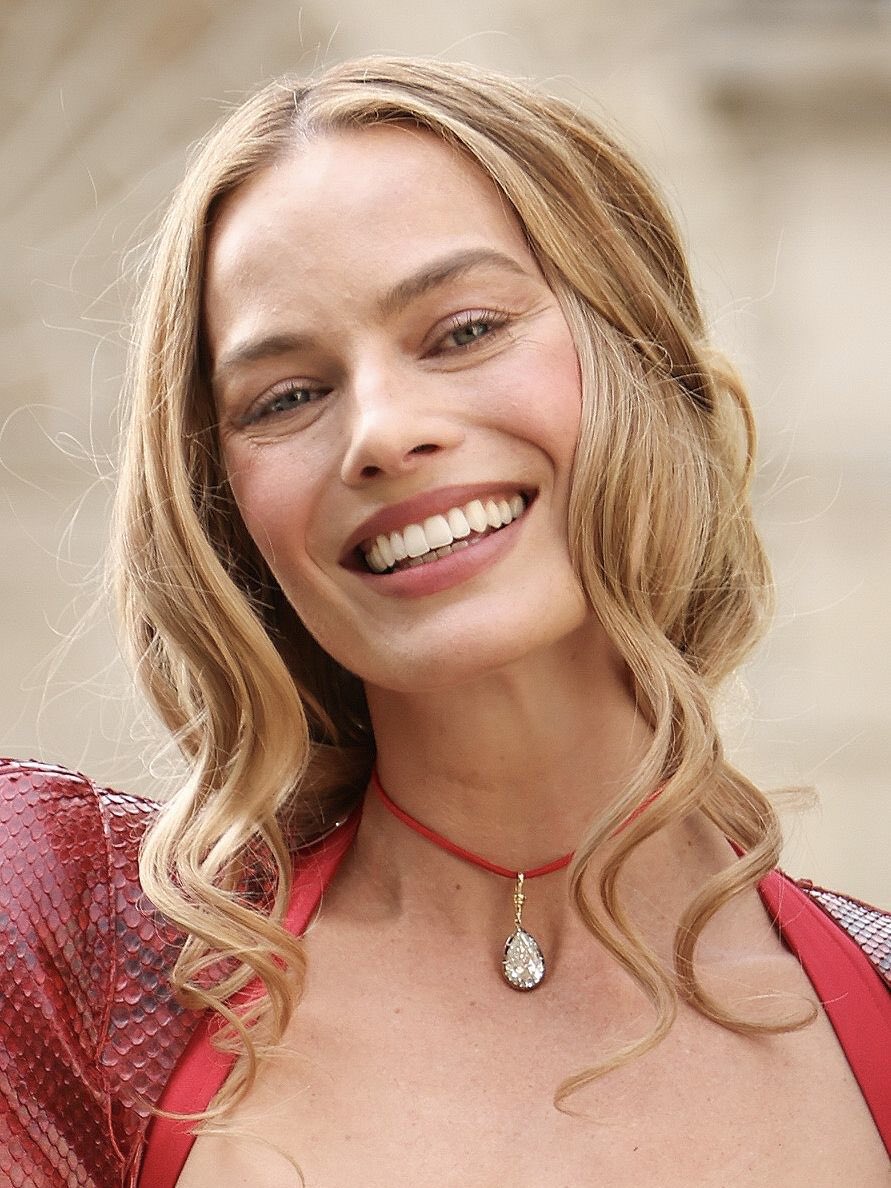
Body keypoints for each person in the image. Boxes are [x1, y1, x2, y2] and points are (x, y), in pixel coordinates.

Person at [0, 55, 888, 1188]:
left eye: (464, 331)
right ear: (229, 514)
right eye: (287, 396)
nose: (380, 431)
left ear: (641, 357)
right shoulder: (69, 966)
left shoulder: (874, 1015)